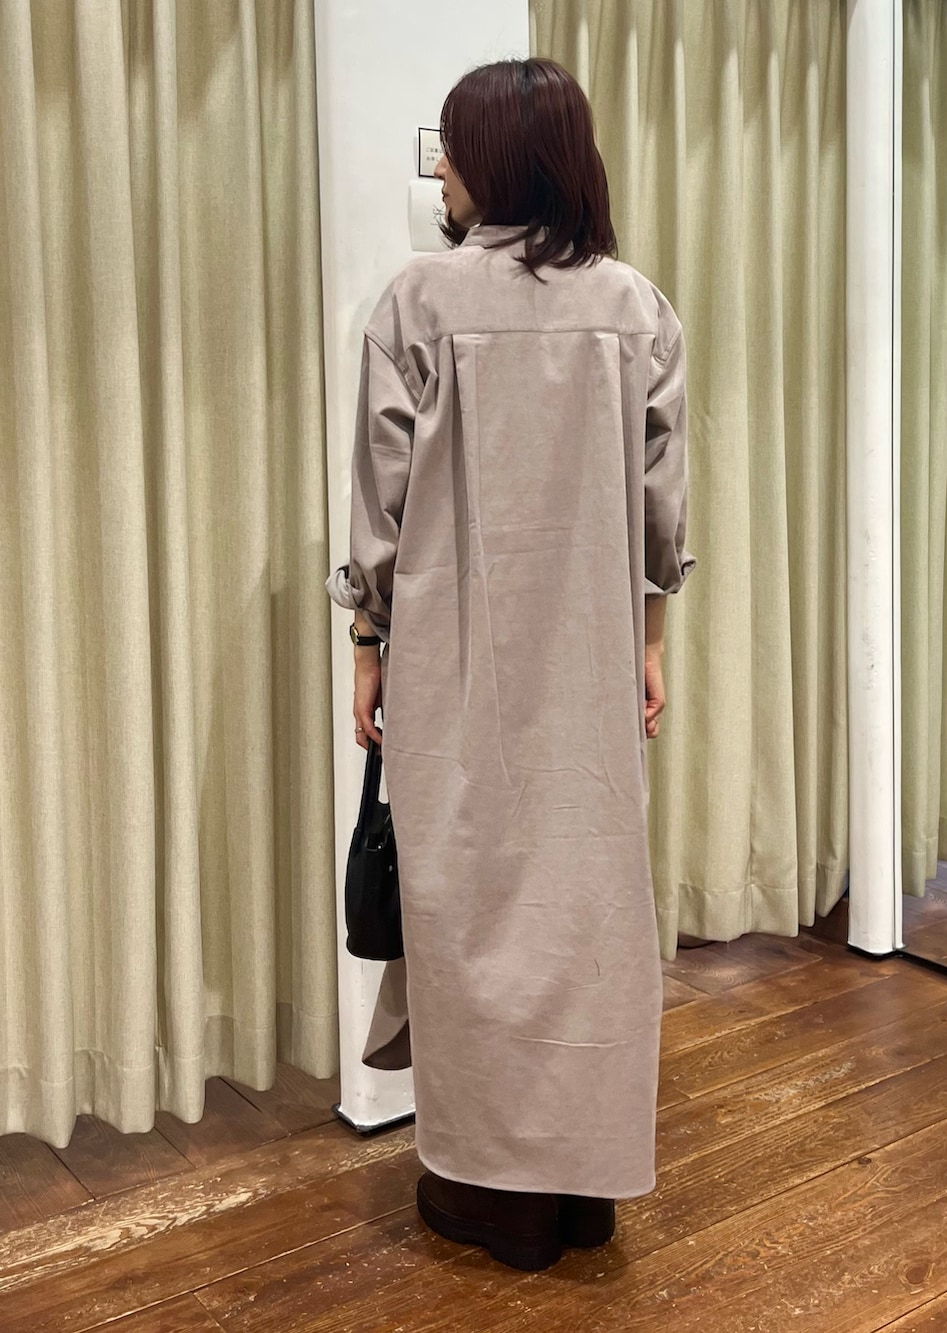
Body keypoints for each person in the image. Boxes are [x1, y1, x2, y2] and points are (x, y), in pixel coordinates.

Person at [328, 57, 694, 1273]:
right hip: (589, 661)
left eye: (453, 143)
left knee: (468, 905)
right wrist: (649, 643)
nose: (440, 165)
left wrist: (368, 645)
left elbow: (379, 513)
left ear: (494, 159)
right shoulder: (636, 307)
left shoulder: (417, 302)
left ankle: (492, 1188)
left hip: (451, 658)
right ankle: (581, 1185)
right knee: (586, 906)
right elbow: (661, 514)